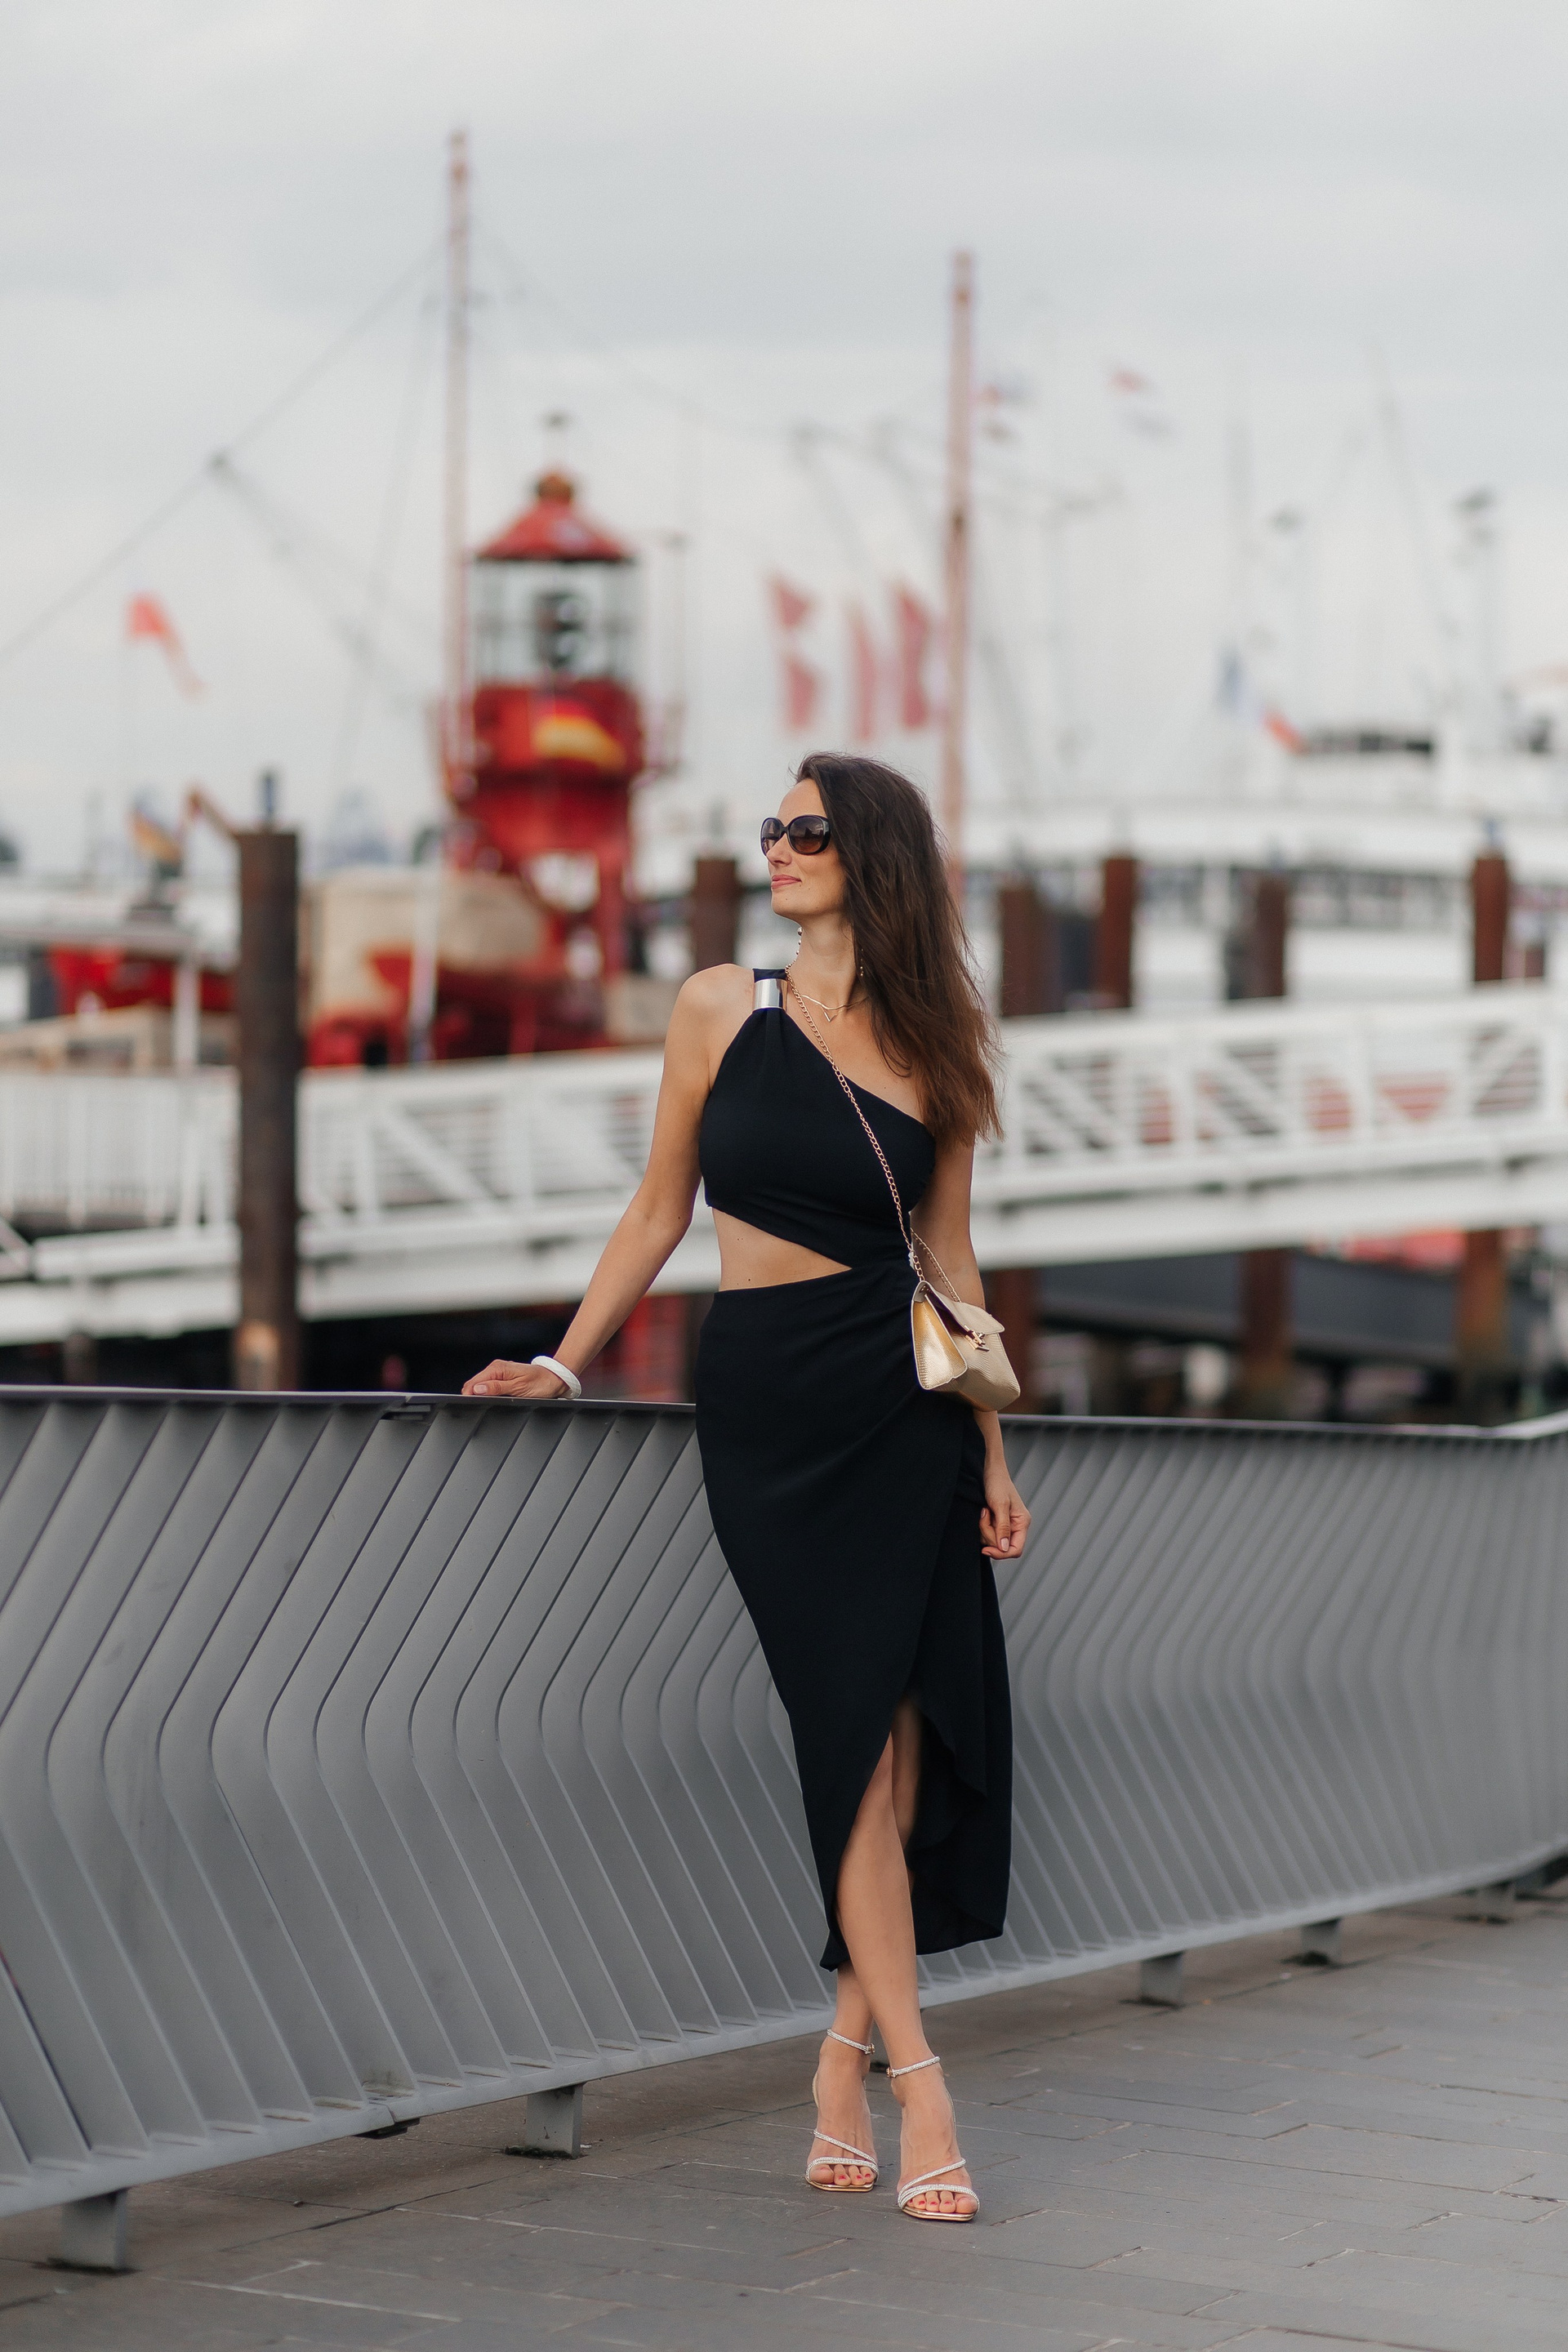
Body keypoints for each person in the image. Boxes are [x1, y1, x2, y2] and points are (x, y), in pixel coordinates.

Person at [464, 752, 1030, 2223]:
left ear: (873, 856)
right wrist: (566, 1363)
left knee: (899, 1752)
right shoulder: (720, 1005)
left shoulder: (939, 1044)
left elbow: (950, 1259)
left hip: (905, 1412)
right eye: (772, 829)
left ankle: (846, 2059)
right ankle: (924, 2086)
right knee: (844, 1739)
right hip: (771, 1410)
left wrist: (990, 1448)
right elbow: (661, 1206)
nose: (777, 848)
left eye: (807, 831)